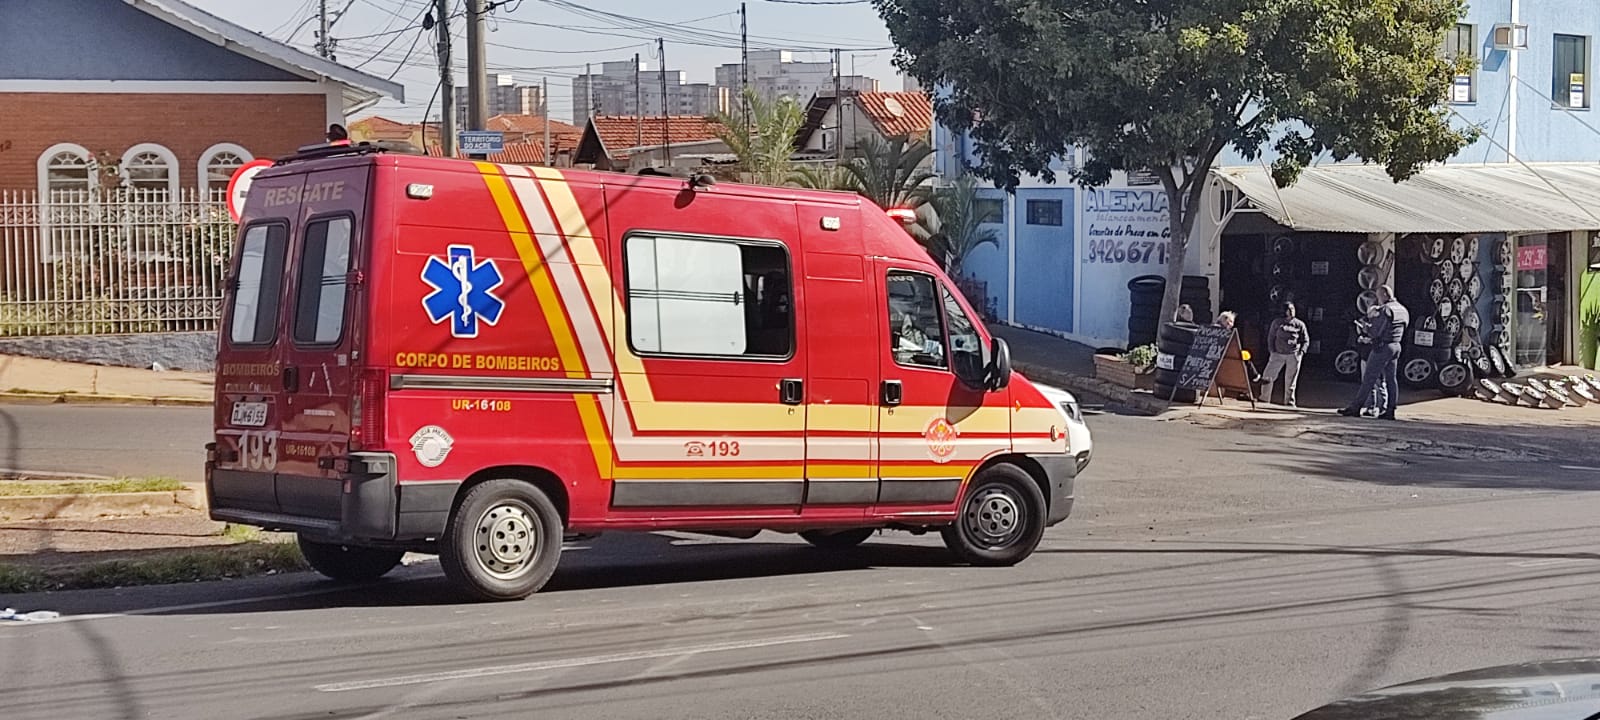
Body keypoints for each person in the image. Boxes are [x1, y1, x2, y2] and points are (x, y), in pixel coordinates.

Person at [1341, 286, 1408, 420]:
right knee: (1391, 379)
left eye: (1378, 297)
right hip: (1396, 345)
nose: (1378, 300)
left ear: (1384, 295)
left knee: (1369, 378)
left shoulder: (1385, 310)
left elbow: (1375, 332)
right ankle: (1390, 410)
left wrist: (1365, 327)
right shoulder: (1402, 309)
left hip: (1383, 347)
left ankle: (1356, 407)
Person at [1261, 302, 1310, 407]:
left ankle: (1289, 401)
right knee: (1268, 376)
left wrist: (1301, 352)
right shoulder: (1277, 323)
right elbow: (1271, 337)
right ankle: (1264, 398)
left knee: (1291, 380)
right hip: (1278, 354)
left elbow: (1305, 339)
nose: (1292, 311)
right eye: (1289, 309)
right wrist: (1272, 351)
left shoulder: (1300, 324)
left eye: (1293, 309)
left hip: (1293, 354)